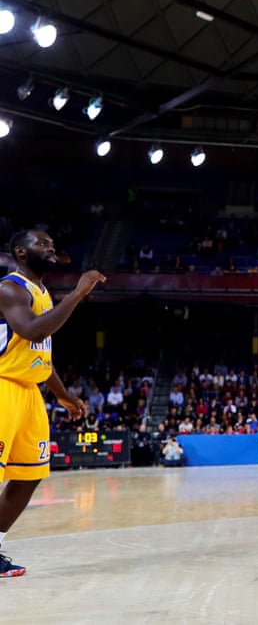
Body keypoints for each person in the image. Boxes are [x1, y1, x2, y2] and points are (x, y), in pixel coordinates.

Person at [0, 230, 103, 577]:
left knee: (30, 474)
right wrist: (77, 294)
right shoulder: (9, 288)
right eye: (42, 244)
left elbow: (40, 354)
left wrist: (63, 394)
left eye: (52, 244)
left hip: (30, 392)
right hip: (3, 386)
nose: (51, 248)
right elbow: (33, 331)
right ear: (21, 251)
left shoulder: (42, 293)